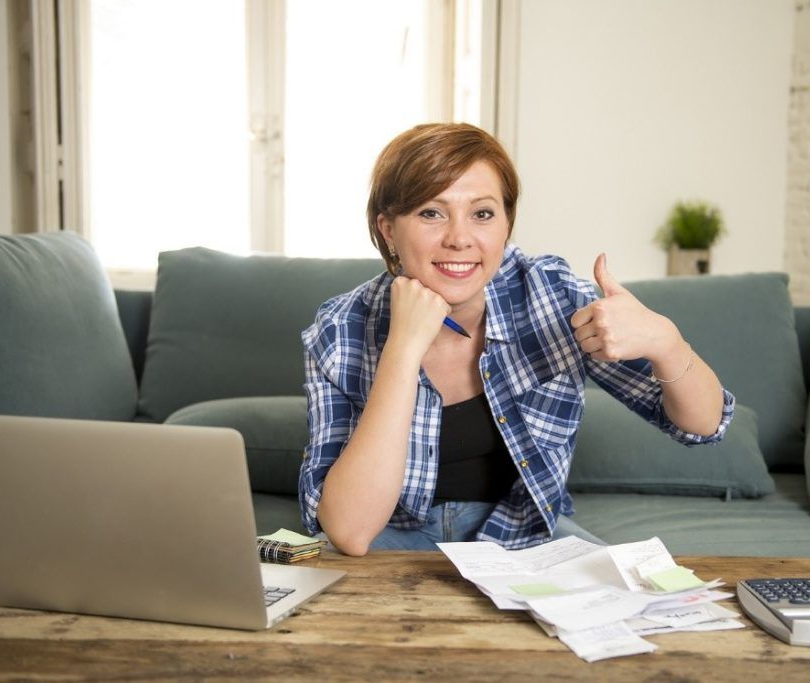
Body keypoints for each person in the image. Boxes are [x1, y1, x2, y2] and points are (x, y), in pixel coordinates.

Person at [299, 123, 735, 556]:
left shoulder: (551, 295)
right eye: (431, 212)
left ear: (506, 225)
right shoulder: (340, 329)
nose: (459, 238)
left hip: (523, 537)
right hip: (389, 539)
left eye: (482, 213)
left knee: (642, 598)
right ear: (389, 229)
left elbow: (702, 425)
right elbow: (349, 532)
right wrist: (402, 349)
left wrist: (667, 342)